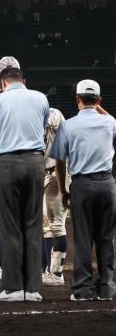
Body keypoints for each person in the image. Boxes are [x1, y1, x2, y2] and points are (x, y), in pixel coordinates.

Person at [0, 56, 50, 302]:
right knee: (32, 226)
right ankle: (33, 289)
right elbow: (39, 128)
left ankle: (13, 288)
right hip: (35, 162)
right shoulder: (41, 98)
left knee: (10, 228)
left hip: (8, 163)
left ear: (2, 80)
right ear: (23, 78)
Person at [51, 80, 116, 301]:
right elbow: (112, 121)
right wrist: (99, 108)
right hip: (108, 184)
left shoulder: (68, 125)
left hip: (82, 186)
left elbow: (59, 160)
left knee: (83, 238)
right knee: (106, 238)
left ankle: (83, 290)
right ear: (99, 101)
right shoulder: (109, 122)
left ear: (77, 99)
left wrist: (62, 190)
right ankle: (107, 287)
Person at [41, 108, 67, 287]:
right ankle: (48, 270)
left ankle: (57, 273)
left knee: (56, 225)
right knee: (46, 226)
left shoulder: (53, 115)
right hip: (43, 174)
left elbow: (52, 121)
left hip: (56, 174)